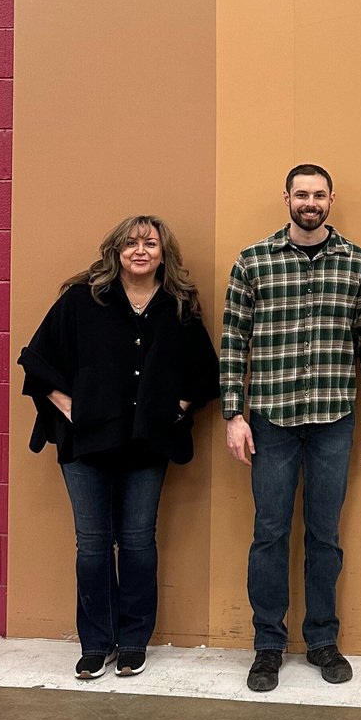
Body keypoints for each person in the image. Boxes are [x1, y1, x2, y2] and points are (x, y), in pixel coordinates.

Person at [19, 215, 219, 679]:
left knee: (136, 541)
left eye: (150, 243)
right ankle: (95, 644)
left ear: (163, 252)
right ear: (116, 251)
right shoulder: (80, 301)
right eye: (131, 243)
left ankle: (132, 641)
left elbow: (206, 372)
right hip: (86, 444)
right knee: (91, 544)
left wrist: (177, 408)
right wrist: (70, 408)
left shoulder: (179, 306)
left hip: (146, 444)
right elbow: (37, 362)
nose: (140, 250)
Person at [221, 163, 361, 692]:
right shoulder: (253, 262)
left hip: (334, 419)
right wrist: (233, 415)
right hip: (271, 419)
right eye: (301, 194)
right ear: (287, 198)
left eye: (318, 194)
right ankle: (268, 645)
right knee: (269, 534)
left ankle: (321, 640)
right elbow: (232, 343)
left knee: (325, 536)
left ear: (331, 200)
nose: (309, 202)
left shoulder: (356, 263)